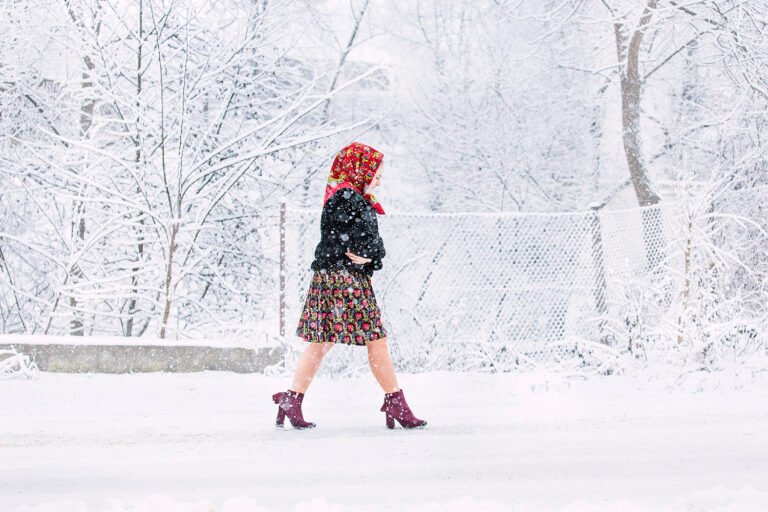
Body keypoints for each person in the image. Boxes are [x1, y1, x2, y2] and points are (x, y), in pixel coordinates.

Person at [271, 142, 428, 430]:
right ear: (360, 169)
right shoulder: (349, 198)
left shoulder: (344, 196)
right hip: (345, 280)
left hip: (331, 278)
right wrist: (372, 253)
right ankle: (395, 402)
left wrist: (369, 254)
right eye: (376, 172)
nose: (379, 179)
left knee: (322, 341)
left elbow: (366, 248)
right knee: (375, 339)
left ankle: (291, 399)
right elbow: (368, 244)